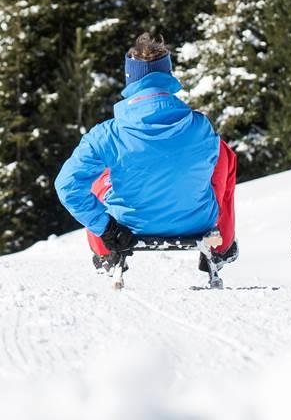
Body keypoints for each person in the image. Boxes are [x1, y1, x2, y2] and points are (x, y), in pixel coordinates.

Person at [55, 32, 238, 278]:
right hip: (197, 222)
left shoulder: (108, 134)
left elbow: (67, 186)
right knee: (223, 155)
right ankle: (221, 246)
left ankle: (106, 250)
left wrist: (107, 228)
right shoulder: (200, 125)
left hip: (127, 227)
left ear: (130, 79)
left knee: (99, 179)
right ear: (168, 75)